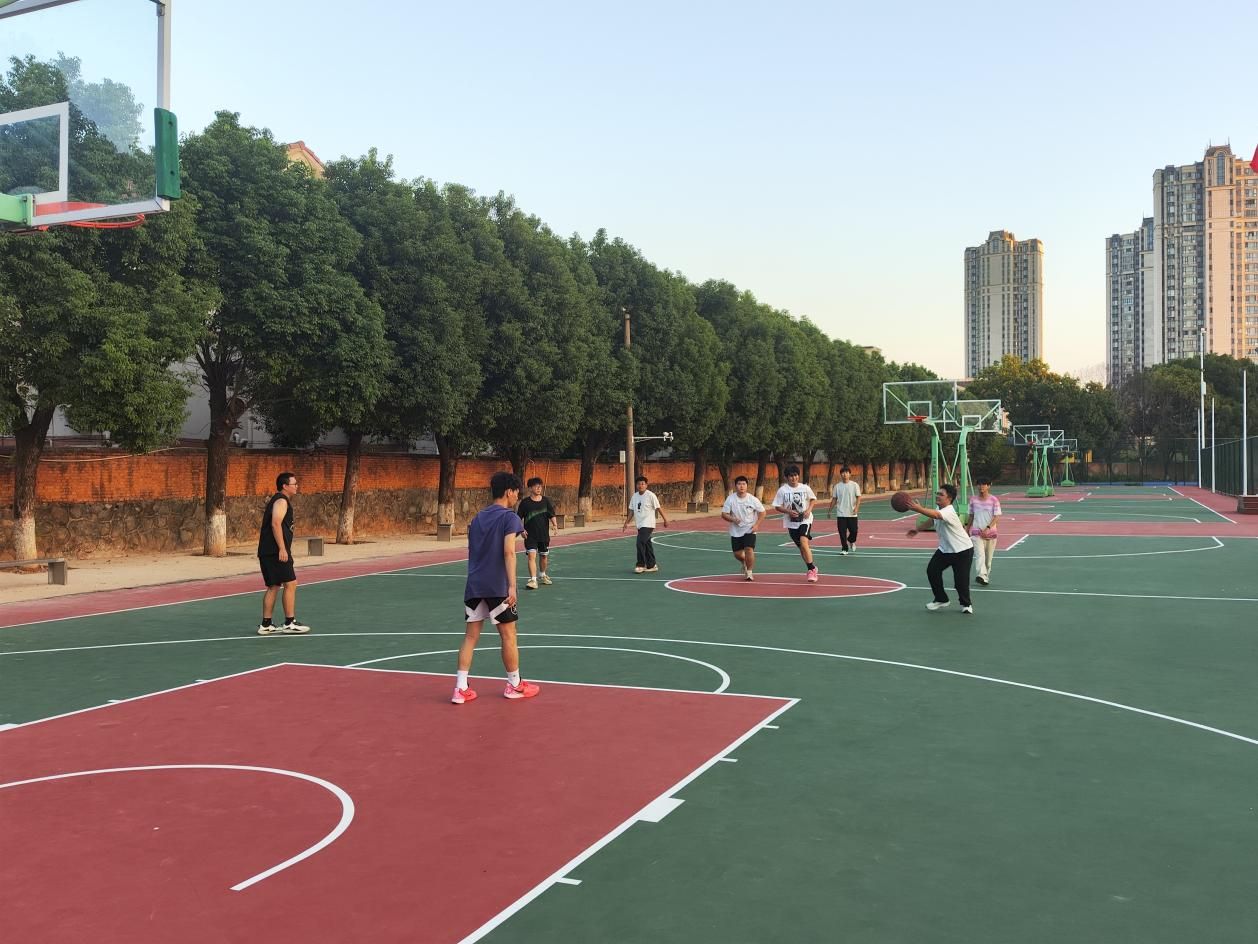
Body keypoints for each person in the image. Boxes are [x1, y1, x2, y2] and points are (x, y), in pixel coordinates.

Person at [452, 471, 540, 704]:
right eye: (516, 492)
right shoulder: (510, 517)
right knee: (508, 635)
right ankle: (514, 684)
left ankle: (460, 688)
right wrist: (512, 586)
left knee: (470, 637)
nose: (517, 496)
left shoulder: (477, 518)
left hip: (474, 584)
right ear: (509, 492)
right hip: (497, 585)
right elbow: (509, 552)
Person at [906, 483, 975, 614]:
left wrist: (919, 509)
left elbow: (936, 516)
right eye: (937, 493)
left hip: (962, 550)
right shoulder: (939, 508)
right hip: (945, 550)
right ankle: (941, 599)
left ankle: (966, 604)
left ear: (949, 498)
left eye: (941, 494)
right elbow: (933, 520)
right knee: (932, 571)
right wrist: (917, 529)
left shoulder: (948, 511)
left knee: (960, 582)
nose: (937, 496)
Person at [256, 472, 311, 635]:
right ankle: (289, 622)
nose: (297, 486)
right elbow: (275, 523)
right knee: (291, 584)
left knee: (273, 586)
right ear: (285, 486)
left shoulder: (279, 500)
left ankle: (266, 624)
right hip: (275, 552)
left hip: (268, 551)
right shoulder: (281, 501)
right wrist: (282, 548)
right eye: (294, 484)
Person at [772, 465, 820, 583]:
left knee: (804, 542)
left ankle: (811, 571)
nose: (794, 478)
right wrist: (788, 511)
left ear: (798, 476)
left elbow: (813, 499)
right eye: (791, 476)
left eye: (795, 475)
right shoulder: (782, 490)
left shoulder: (805, 488)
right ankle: (812, 567)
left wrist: (809, 510)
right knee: (802, 548)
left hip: (805, 520)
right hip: (791, 523)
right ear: (787, 477)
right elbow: (777, 506)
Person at [721, 475, 766, 580]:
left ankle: (749, 572)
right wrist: (733, 519)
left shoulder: (753, 499)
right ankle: (744, 562)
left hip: (750, 529)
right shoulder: (730, 499)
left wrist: (757, 525)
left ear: (747, 486)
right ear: (735, 486)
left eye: (744, 484)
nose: (741, 486)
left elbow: (763, 512)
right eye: (739, 484)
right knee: (737, 554)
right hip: (736, 531)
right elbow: (724, 514)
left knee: (749, 549)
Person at [517, 476, 558, 589]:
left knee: (543, 556)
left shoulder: (546, 501)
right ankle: (533, 580)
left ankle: (542, 575)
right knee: (531, 556)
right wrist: (521, 529)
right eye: (536, 486)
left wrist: (555, 525)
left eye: (540, 486)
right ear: (530, 488)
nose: (539, 488)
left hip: (543, 535)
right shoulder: (525, 503)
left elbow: (551, 514)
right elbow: (518, 518)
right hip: (530, 536)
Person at [622, 475, 668, 573]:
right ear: (636, 485)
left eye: (643, 484)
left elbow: (658, 508)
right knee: (647, 545)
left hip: (648, 524)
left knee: (640, 542)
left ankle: (640, 565)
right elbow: (631, 511)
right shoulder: (634, 496)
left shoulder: (651, 495)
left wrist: (665, 519)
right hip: (639, 524)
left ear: (646, 485)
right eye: (639, 484)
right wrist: (626, 522)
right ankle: (652, 565)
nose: (640, 485)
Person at [965, 477, 1002, 585]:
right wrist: (967, 529)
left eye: (984, 484)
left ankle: (985, 577)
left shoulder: (994, 500)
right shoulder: (973, 500)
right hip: (976, 533)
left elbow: (996, 517)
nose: (981, 486)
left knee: (988, 561)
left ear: (989, 486)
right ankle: (981, 575)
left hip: (991, 533)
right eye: (979, 484)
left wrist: (987, 528)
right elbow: (971, 516)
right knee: (980, 555)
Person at [830, 466, 862, 555]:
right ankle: (844, 548)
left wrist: (856, 508)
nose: (845, 474)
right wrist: (830, 511)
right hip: (841, 514)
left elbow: (858, 497)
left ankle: (851, 540)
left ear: (850, 474)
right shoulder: (837, 486)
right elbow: (834, 499)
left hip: (852, 513)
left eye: (847, 473)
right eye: (843, 473)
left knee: (854, 531)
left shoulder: (854, 485)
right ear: (841, 474)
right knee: (842, 533)